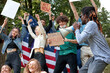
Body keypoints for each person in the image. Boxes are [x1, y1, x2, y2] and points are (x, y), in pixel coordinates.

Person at [73, 6, 110, 73]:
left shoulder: (91, 24)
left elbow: (80, 40)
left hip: (102, 57)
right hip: (96, 57)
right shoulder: (92, 24)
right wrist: (77, 33)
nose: (80, 18)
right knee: (82, 71)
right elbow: (87, 41)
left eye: (80, 15)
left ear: (85, 16)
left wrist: (77, 29)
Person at [69, 0, 98, 66]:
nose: (81, 16)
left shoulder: (92, 21)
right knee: (85, 66)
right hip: (83, 47)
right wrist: (71, 2)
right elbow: (74, 11)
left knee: (96, 65)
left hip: (92, 47)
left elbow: (95, 9)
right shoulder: (80, 21)